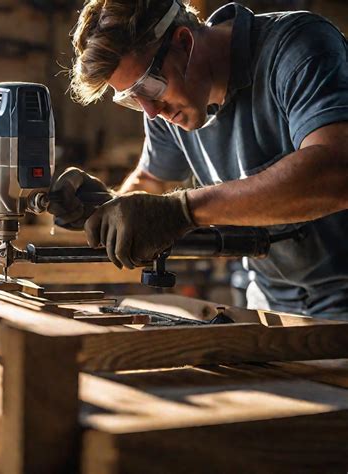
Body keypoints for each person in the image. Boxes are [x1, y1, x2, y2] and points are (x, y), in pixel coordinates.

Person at [48, 0, 348, 318]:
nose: (151, 111)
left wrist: (184, 210)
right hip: (271, 301)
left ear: (183, 42)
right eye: (131, 99)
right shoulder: (167, 109)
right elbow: (152, 183)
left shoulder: (298, 47)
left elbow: (336, 172)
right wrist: (109, 208)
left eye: (148, 87)